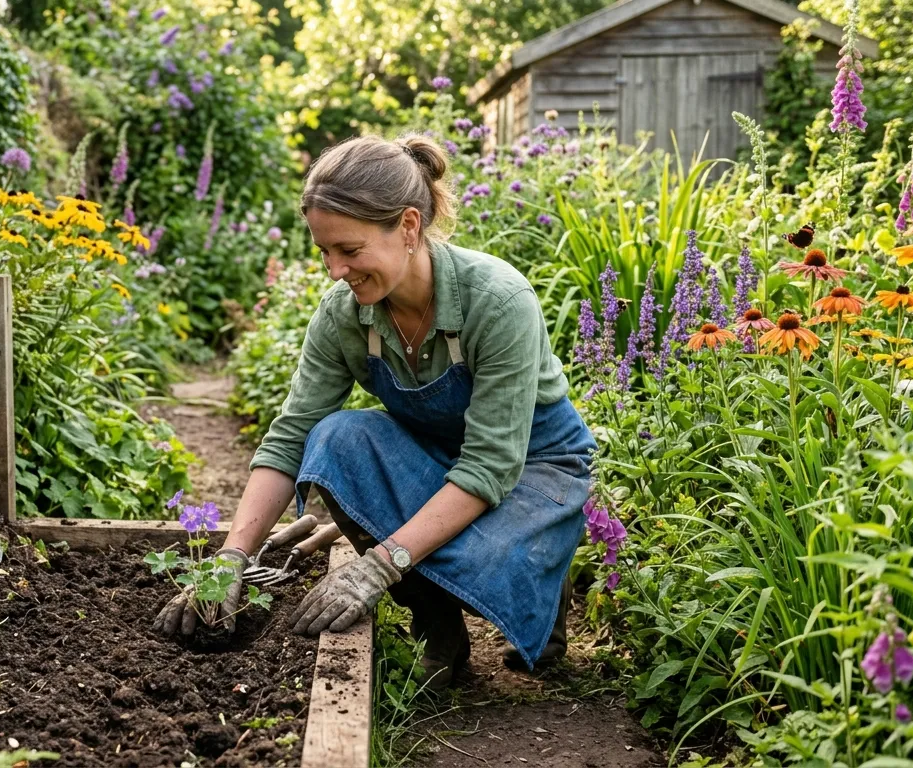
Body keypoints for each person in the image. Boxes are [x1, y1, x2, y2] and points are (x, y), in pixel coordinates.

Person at [154, 133, 595, 685]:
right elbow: (292, 435)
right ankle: (440, 629)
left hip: (531, 468)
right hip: (438, 460)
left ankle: (542, 582)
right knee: (338, 438)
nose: (334, 270)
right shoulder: (346, 315)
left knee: (489, 563)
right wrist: (231, 559)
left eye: (350, 250)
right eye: (324, 251)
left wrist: (378, 566)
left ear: (408, 227)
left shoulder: (498, 300)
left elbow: (489, 467)